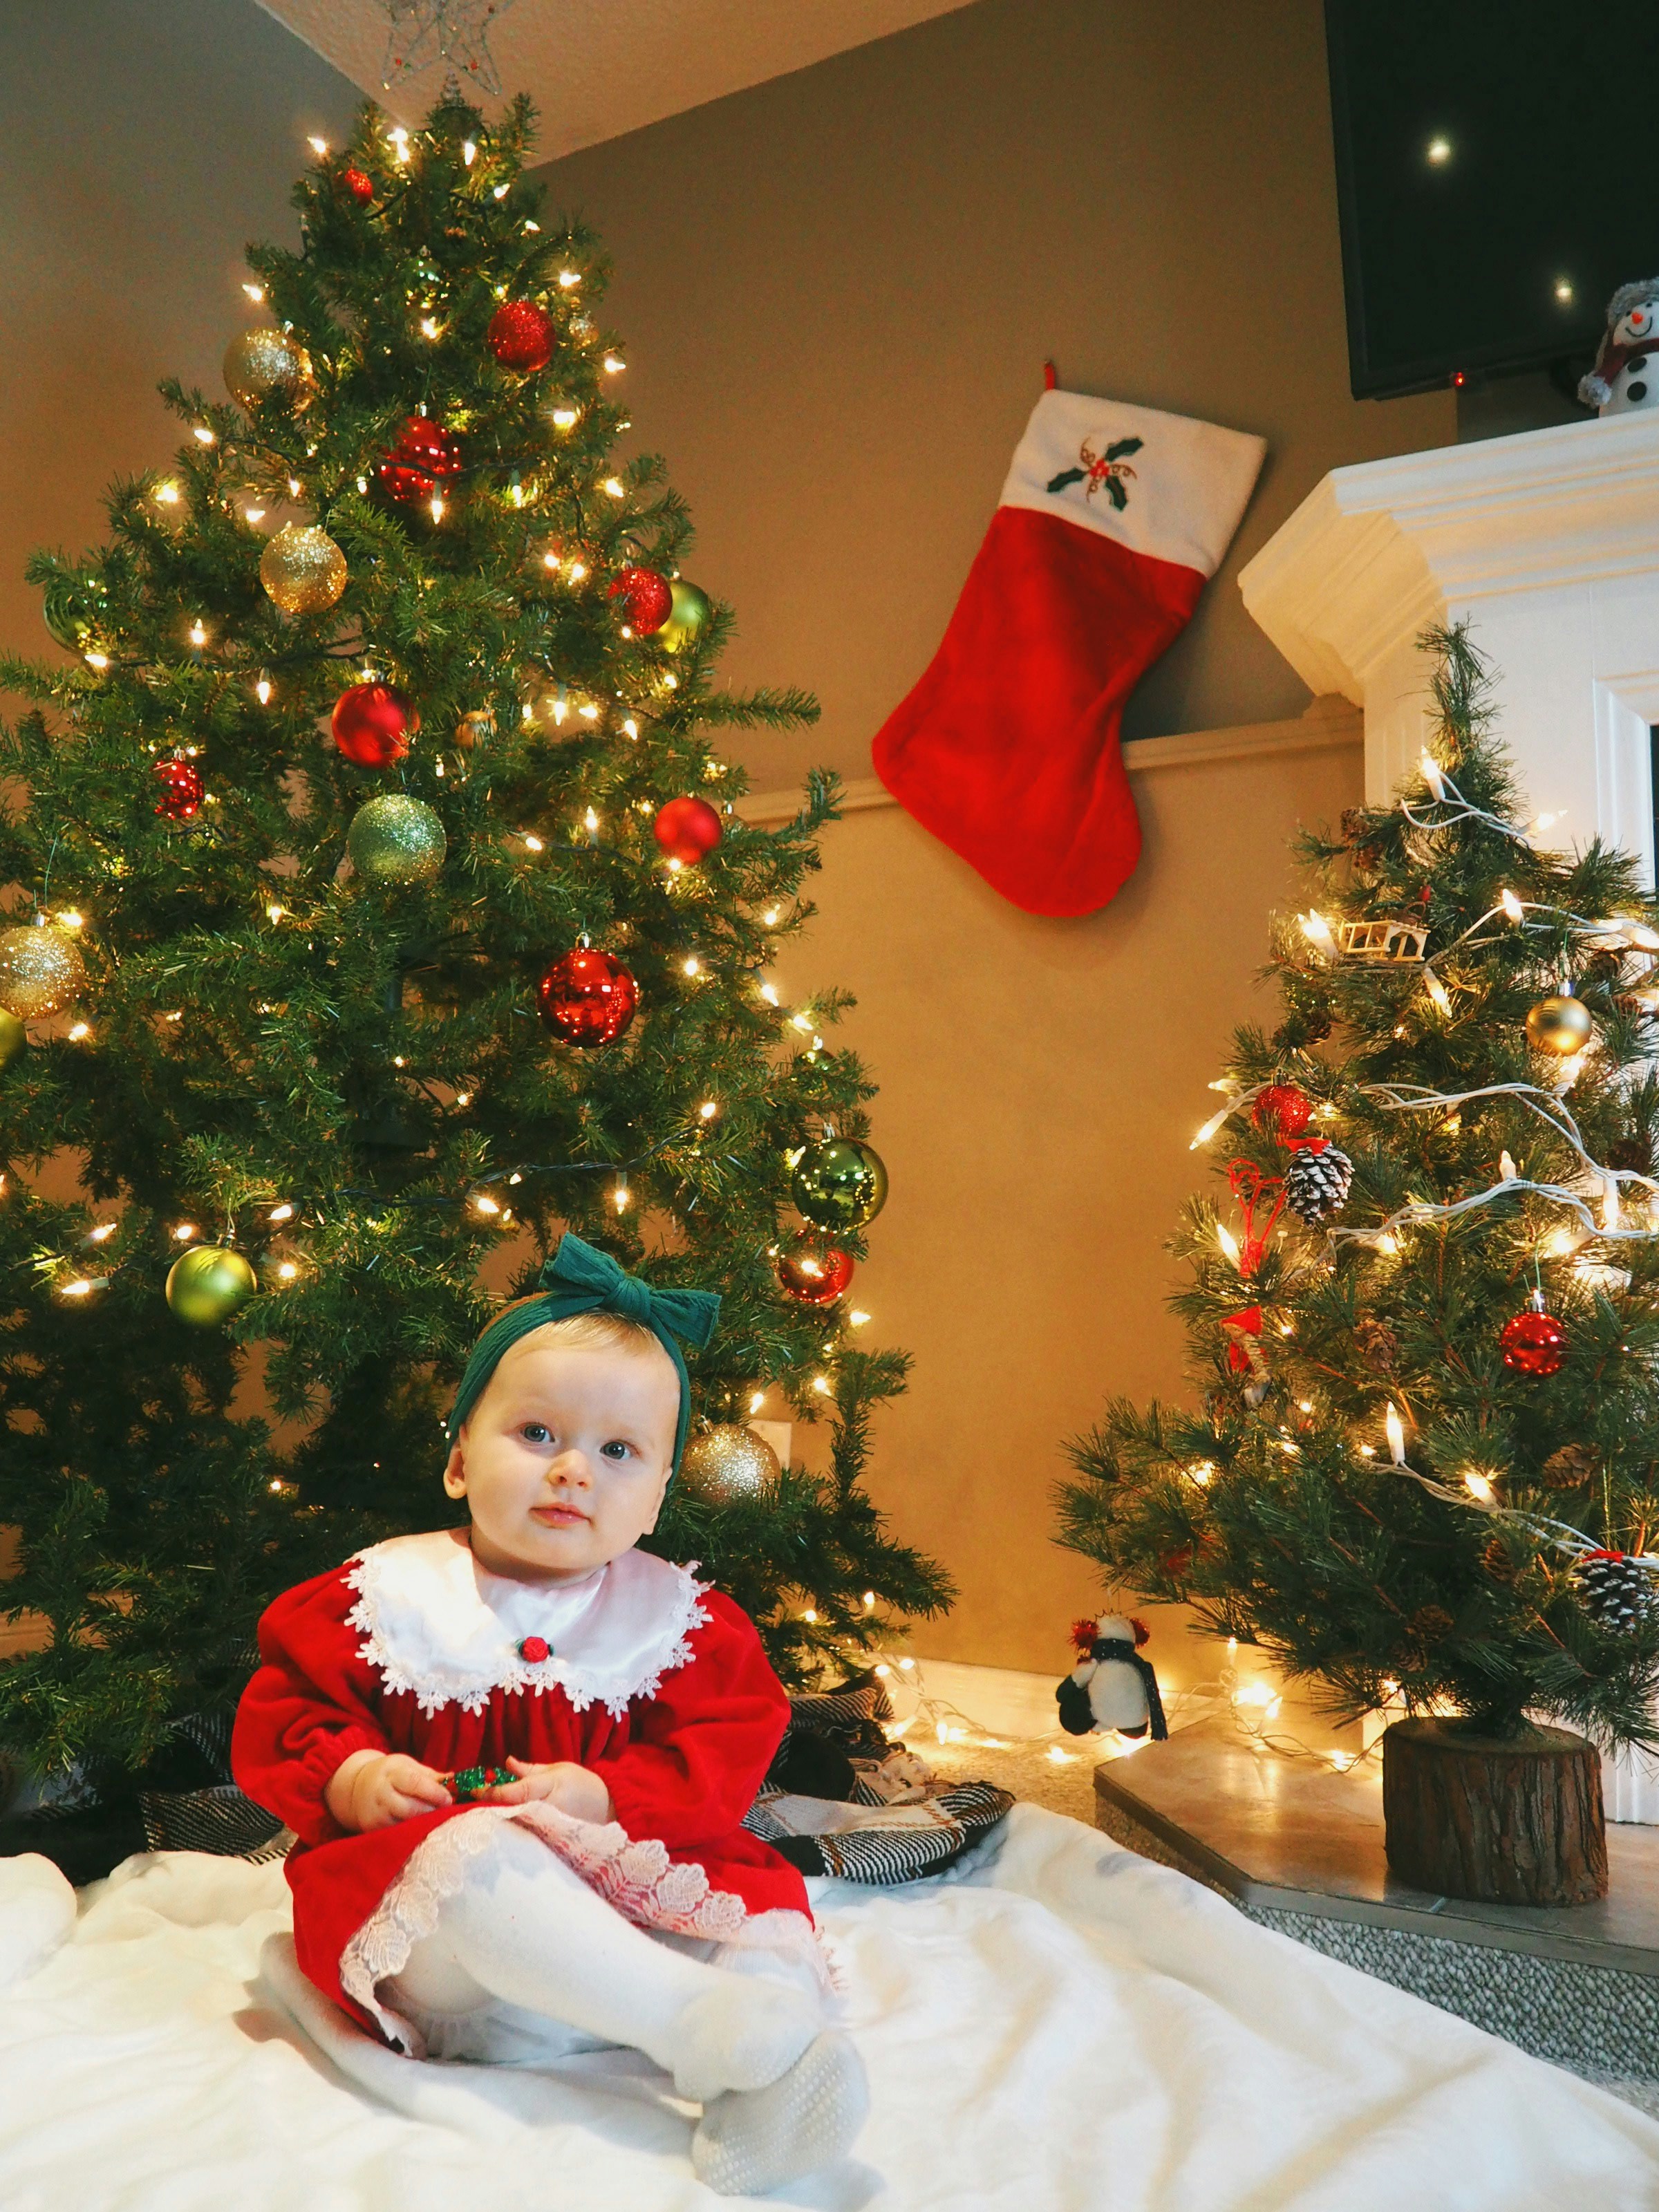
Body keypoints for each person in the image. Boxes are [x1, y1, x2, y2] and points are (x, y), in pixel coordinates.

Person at [233, 1232, 869, 2196]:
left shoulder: (684, 1624)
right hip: (469, 1953)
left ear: (656, 1498)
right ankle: (694, 2022)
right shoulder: (382, 1598)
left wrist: (609, 1796)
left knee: (751, 1920)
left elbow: (724, 1753)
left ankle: (770, 2062)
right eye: (537, 1435)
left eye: (619, 1452)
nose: (575, 1471)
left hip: (636, 1896)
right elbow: (288, 1714)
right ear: (457, 1461)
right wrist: (355, 1777)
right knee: (481, 1857)